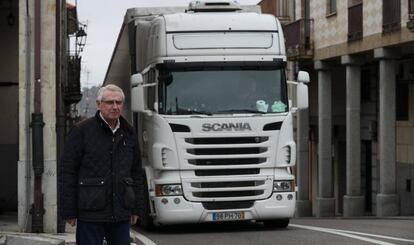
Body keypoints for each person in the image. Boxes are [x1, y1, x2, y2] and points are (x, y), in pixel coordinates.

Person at [59, 84, 143, 245]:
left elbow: (136, 172)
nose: (115, 107)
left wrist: (136, 208)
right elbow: (67, 171)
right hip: (90, 212)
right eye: (110, 102)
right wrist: (68, 210)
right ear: (99, 104)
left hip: (121, 211)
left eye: (118, 103)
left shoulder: (129, 132)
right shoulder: (81, 131)